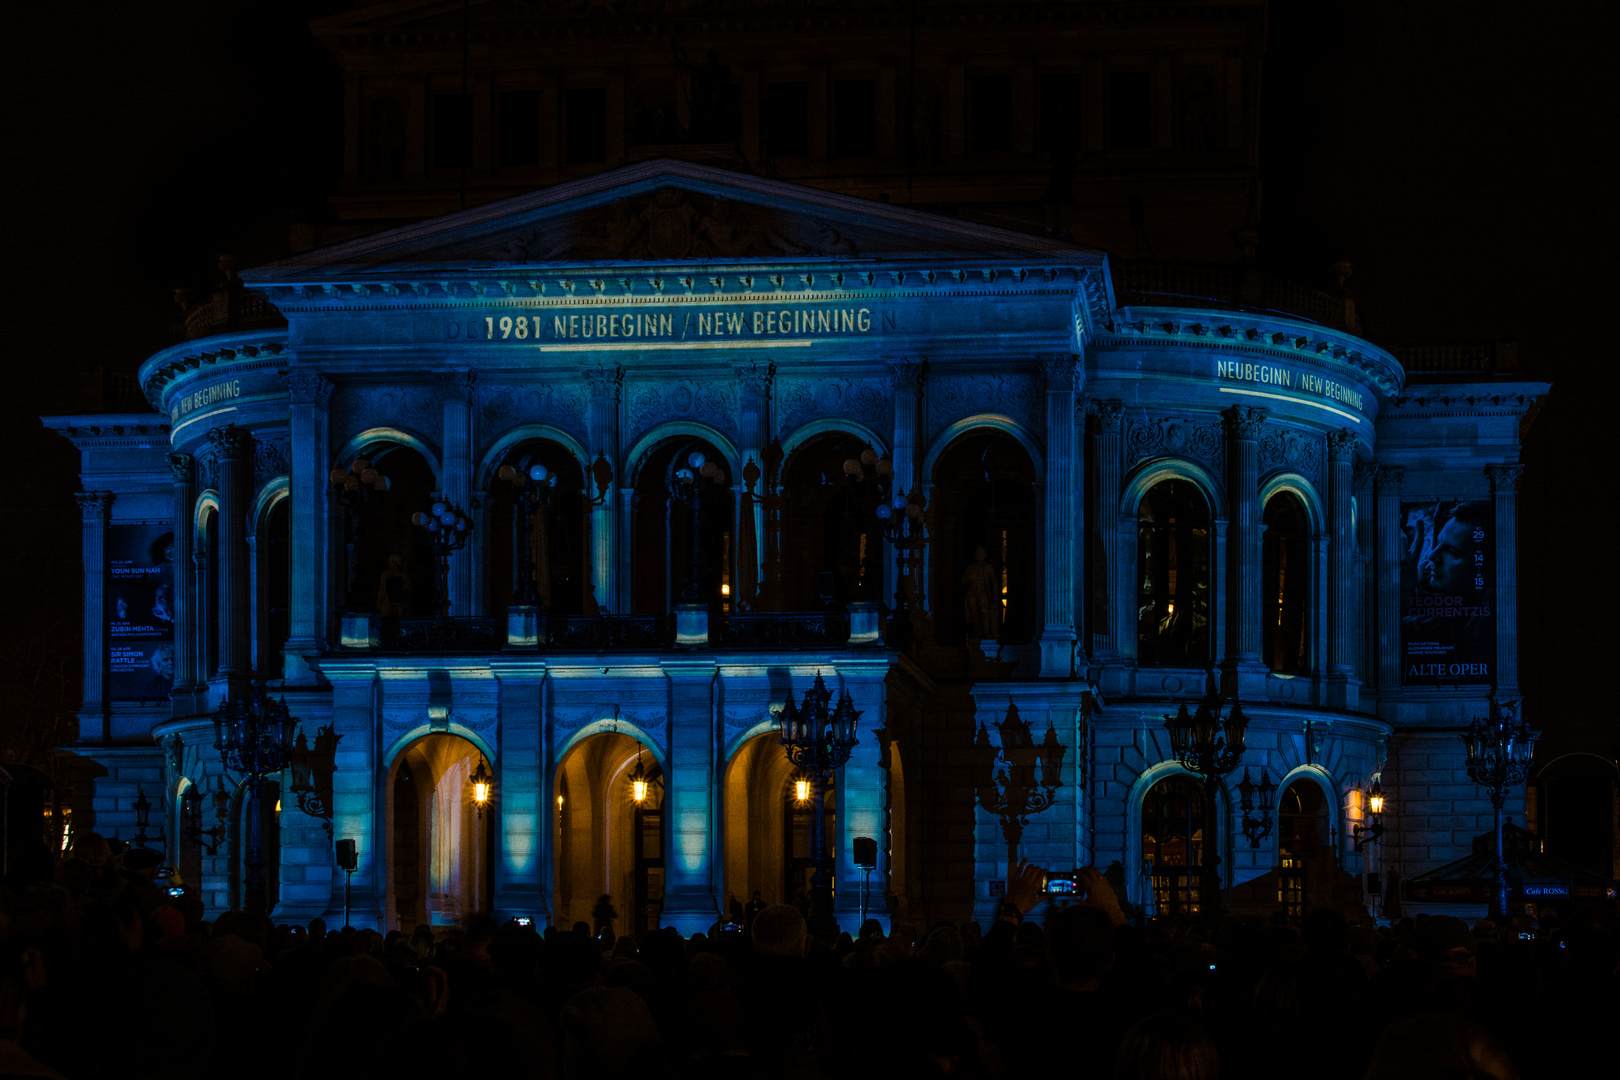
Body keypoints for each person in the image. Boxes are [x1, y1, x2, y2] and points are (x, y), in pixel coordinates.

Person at [962, 545, 1002, 642]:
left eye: (981, 554)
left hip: (984, 594)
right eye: (978, 554)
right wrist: (970, 577)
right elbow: (963, 581)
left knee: (986, 614)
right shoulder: (971, 568)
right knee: (975, 615)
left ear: (985, 555)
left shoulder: (988, 568)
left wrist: (995, 597)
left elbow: (994, 582)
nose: (979, 556)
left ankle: (987, 632)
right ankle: (978, 633)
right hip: (972, 595)